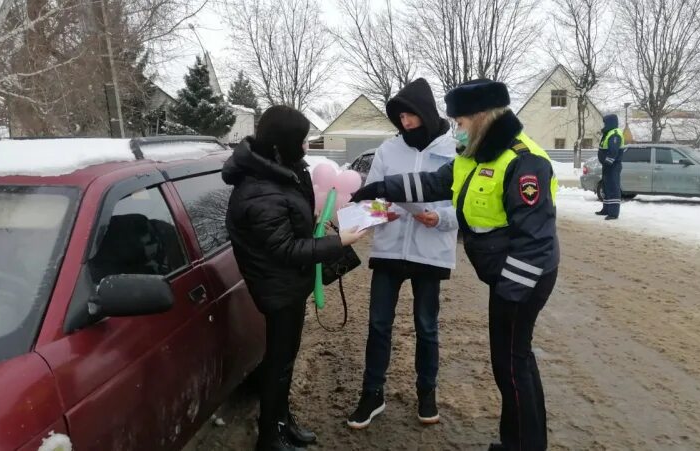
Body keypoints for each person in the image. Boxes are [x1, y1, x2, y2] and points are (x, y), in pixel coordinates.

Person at [352, 79, 560, 451]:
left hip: (521, 280)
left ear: (480, 117)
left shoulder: (523, 162)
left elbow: (536, 243)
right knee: (512, 364)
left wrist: (510, 295)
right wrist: (381, 189)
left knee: (512, 365)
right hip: (506, 278)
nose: (457, 130)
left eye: (460, 122)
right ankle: (517, 442)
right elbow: (433, 183)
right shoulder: (476, 155)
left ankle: (524, 445)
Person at [223, 105, 367, 451]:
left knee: (284, 360)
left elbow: (291, 221)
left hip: (289, 283)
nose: (306, 148)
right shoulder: (259, 189)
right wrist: (339, 242)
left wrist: (317, 218)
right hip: (277, 288)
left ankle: (282, 423)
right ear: (282, 143)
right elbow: (286, 249)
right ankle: (270, 437)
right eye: (301, 141)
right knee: (278, 363)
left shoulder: (280, 171)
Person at [347, 78, 459, 430]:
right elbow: (372, 198)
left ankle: (427, 393)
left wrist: (439, 217)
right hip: (390, 248)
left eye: (411, 116)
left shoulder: (455, 150)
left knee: (427, 327)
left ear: (426, 113)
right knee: (378, 324)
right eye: (400, 118)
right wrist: (383, 212)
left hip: (431, 251)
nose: (405, 123)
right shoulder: (388, 150)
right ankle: (372, 393)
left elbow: (466, 204)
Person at [595, 114, 623, 220]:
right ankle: (606, 209)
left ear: (611, 123)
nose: (604, 125)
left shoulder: (615, 134)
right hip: (607, 166)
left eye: (606, 123)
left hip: (612, 166)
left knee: (613, 188)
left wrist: (608, 162)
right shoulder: (608, 133)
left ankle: (613, 213)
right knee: (606, 188)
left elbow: (613, 151)